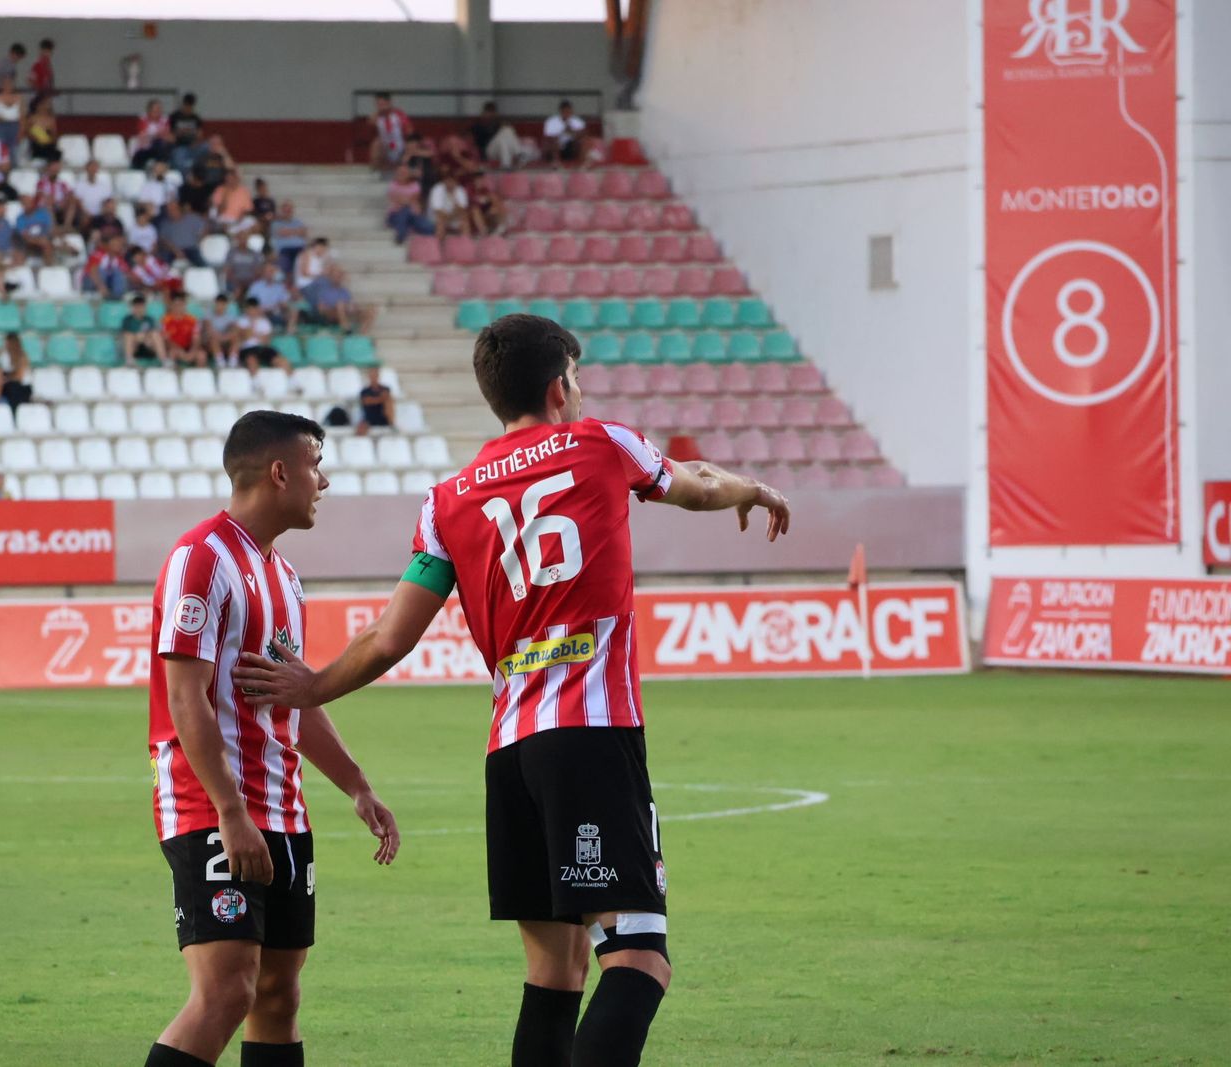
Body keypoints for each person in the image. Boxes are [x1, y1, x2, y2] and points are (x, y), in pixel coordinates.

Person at [232, 314, 792, 1067]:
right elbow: (697, 485)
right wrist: (752, 488)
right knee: (639, 958)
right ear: (559, 387)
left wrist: (313, 685)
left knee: (555, 970)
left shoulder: (448, 500)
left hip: (511, 753)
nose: (580, 393)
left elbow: (390, 635)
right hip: (591, 737)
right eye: (577, 380)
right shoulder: (603, 444)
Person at [139, 409, 399, 1067]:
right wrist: (230, 812)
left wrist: (357, 785)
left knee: (278, 997)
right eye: (316, 465)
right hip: (212, 807)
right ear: (280, 472)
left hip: (283, 809)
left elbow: (295, 698)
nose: (324, 481)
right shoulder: (202, 559)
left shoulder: (282, 575)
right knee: (227, 991)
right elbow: (185, 697)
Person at [302, 264, 373, 335]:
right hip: (329, 316)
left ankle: (361, 334)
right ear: (331, 277)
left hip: (344, 313)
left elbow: (351, 305)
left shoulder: (344, 291)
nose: (338, 278)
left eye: (340, 276)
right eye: (336, 276)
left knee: (371, 310)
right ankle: (346, 329)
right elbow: (321, 308)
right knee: (340, 305)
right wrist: (335, 308)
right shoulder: (324, 290)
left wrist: (352, 308)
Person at [385, 164, 435, 245]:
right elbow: (396, 199)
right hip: (396, 215)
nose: (402, 174)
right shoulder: (392, 185)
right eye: (400, 172)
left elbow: (413, 199)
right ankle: (401, 233)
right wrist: (408, 200)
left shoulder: (415, 185)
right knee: (404, 211)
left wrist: (404, 200)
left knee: (427, 227)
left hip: (412, 215)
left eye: (404, 172)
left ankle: (404, 231)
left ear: (409, 174)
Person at [233, 299, 287, 371]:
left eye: (254, 309)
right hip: (247, 348)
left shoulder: (264, 322)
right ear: (246, 309)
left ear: (257, 309)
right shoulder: (240, 322)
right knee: (251, 360)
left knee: (280, 360)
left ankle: (290, 377)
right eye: (250, 309)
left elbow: (266, 341)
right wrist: (252, 325)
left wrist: (253, 334)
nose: (252, 312)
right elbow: (242, 338)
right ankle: (255, 378)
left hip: (262, 348)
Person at [471, 101, 527, 170]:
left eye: (492, 112)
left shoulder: (497, 123)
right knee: (503, 136)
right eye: (488, 112)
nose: (490, 114)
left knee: (507, 130)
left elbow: (506, 133)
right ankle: (518, 154)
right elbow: (480, 140)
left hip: (500, 149)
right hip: (489, 151)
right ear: (484, 112)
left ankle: (507, 163)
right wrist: (487, 123)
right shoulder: (478, 124)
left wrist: (497, 122)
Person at [543, 100, 600, 168]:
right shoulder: (551, 122)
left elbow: (583, 135)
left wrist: (572, 132)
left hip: (571, 147)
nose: (567, 114)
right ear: (560, 111)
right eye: (564, 111)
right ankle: (556, 162)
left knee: (585, 140)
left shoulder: (578, 121)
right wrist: (562, 132)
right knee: (553, 140)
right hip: (556, 148)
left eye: (568, 111)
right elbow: (548, 137)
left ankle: (583, 164)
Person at [368, 92, 412, 173]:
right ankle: (376, 170)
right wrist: (378, 114)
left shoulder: (398, 114)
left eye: (382, 104)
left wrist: (408, 148)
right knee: (376, 143)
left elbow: (409, 131)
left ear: (388, 103)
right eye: (378, 104)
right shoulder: (377, 117)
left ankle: (395, 166)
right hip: (387, 146)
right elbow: (370, 124)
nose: (380, 107)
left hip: (397, 146)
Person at [245, 263, 295, 333]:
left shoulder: (280, 287)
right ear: (263, 273)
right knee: (255, 311)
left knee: (293, 310)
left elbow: (285, 302)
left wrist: (283, 306)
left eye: (272, 271)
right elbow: (250, 304)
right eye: (267, 271)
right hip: (260, 312)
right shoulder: (255, 286)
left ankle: (289, 334)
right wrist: (262, 309)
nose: (270, 273)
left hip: (276, 312)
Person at [161, 292, 207, 367]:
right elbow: (167, 340)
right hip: (175, 348)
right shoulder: (166, 320)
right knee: (172, 354)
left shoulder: (192, 320)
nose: (178, 308)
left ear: (184, 305)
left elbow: (196, 338)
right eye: (176, 305)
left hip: (189, 347)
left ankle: (200, 374)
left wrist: (192, 351)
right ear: (172, 306)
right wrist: (180, 350)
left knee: (201, 355)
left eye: (180, 305)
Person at [157, 201, 207, 268]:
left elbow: (204, 228)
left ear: (179, 209)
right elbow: (163, 240)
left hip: (191, 249)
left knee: (201, 265)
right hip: (172, 251)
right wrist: (175, 251)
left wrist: (200, 241)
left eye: (173, 209)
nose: (170, 212)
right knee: (163, 263)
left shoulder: (192, 218)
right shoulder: (165, 224)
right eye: (168, 210)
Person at [120, 295, 165, 366]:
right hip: (135, 347)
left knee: (155, 334)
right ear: (133, 308)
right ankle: (129, 360)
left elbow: (153, 332)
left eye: (141, 307)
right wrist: (138, 337)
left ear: (145, 307)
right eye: (137, 307)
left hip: (148, 346)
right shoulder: (127, 320)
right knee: (128, 336)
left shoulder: (149, 319)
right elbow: (125, 334)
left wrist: (144, 337)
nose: (139, 309)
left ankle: (164, 360)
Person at [267, 201, 308, 277]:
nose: (287, 212)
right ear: (282, 211)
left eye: (289, 210)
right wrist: (296, 231)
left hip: (299, 249)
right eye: (286, 211)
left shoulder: (298, 222)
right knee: (284, 266)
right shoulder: (276, 223)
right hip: (284, 250)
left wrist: (289, 231)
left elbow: (304, 232)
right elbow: (282, 232)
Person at [83, 233, 129, 298]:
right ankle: (98, 294)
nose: (118, 246)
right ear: (107, 245)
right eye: (114, 244)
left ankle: (117, 296)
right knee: (102, 271)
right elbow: (93, 272)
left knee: (118, 272)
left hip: (107, 285)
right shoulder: (98, 255)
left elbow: (127, 274)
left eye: (119, 244)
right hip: (91, 283)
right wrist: (101, 287)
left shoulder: (119, 259)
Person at [167, 92, 204, 172]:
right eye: (187, 106)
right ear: (184, 105)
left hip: (193, 146)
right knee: (180, 162)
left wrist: (196, 142)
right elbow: (170, 134)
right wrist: (179, 133)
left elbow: (199, 134)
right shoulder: (174, 116)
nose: (188, 108)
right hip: (179, 146)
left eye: (190, 106)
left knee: (207, 147)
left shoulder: (195, 118)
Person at [429, 172, 471, 240]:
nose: (450, 183)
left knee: (465, 219)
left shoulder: (460, 190)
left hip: (453, 217)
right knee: (440, 221)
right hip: (437, 218)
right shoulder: (437, 189)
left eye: (452, 181)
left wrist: (454, 197)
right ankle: (439, 244)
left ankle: (465, 243)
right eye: (448, 180)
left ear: (455, 182)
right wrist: (450, 217)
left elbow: (462, 210)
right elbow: (438, 211)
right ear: (444, 181)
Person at [134, 99, 172, 170]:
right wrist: (157, 135)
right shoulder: (143, 119)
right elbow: (143, 138)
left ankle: (160, 170)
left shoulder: (165, 120)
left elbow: (168, 137)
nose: (158, 112)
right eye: (156, 110)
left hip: (159, 149)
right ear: (149, 111)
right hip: (144, 149)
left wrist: (154, 135)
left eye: (159, 109)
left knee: (161, 145)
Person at [0, 81, 24, 157]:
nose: (8, 87)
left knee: (14, 150)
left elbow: (22, 116)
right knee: (0, 149)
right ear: (2, 86)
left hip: (14, 125)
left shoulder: (18, 97)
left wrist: (21, 131)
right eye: (6, 84)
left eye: (10, 84)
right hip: (0, 126)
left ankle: (13, 164)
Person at [356, 365, 395, 435]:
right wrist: (381, 398)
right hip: (370, 418)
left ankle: (391, 423)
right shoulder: (365, 391)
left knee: (389, 402)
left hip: (382, 416)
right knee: (361, 426)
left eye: (375, 375)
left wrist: (376, 399)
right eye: (372, 375)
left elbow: (386, 399)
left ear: (378, 376)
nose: (373, 377)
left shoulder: (385, 389)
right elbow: (367, 401)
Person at [0, 333, 34, 412]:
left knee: (13, 389)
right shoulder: (6, 356)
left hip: (23, 387)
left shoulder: (22, 356)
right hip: (12, 385)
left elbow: (19, 377)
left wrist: (6, 379)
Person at [25, 96, 60, 163]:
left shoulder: (51, 119)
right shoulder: (31, 118)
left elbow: (54, 134)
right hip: (35, 145)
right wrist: (35, 137)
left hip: (49, 145)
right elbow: (27, 132)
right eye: (42, 104)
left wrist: (49, 140)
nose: (44, 107)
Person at [29, 39, 56, 104]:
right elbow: (30, 80)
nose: (48, 54)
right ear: (41, 51)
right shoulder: (37, 65)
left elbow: (49, 82)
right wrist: (39, 92)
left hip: (47, 98)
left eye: (50, 51)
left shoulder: (48, 66)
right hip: (39, 98)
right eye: (46, 51)